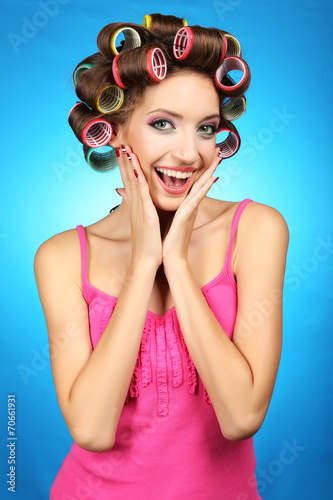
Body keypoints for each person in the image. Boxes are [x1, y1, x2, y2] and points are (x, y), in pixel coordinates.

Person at [34, 13, 289, 499]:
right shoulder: (63, 257)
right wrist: (141, 264)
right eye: (163, 124)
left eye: (205, 129)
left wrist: (175, 261)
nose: (188, 153)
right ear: (117, 129)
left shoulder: (257, 230)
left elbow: (241, 417)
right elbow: (90, 430)